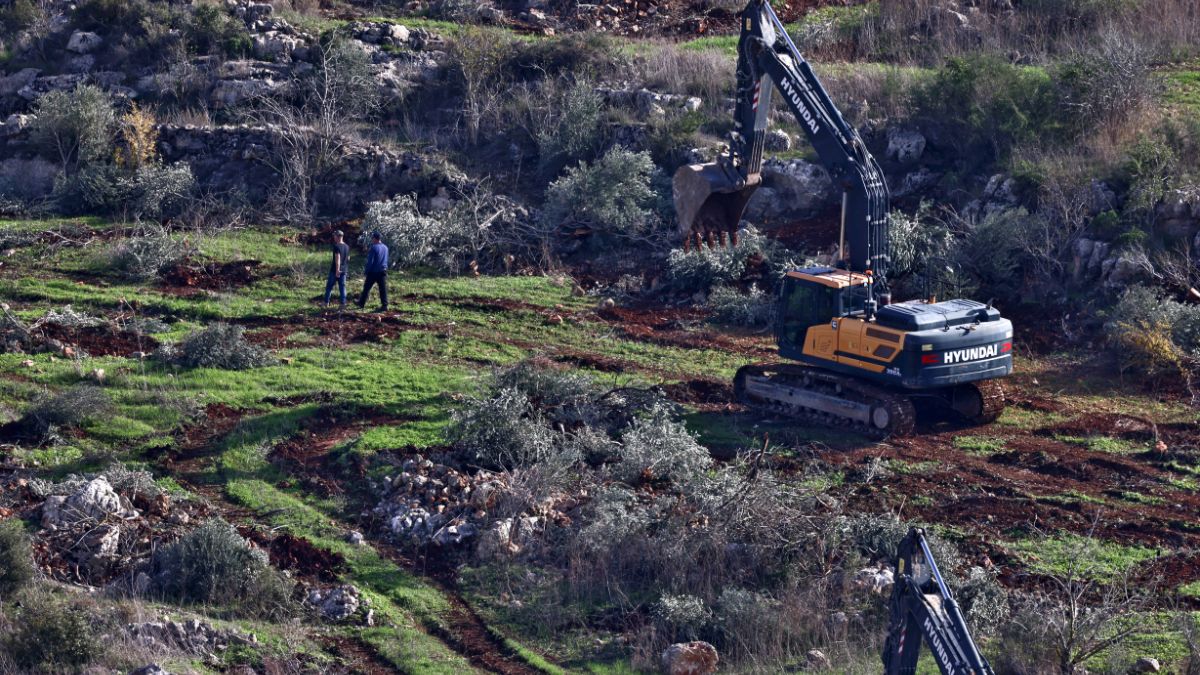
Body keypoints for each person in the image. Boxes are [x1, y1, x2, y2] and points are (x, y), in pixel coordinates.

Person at [357, 231, 389, 311]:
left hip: (373, 271)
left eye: (372, 238)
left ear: (375, 238)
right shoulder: (386, 247)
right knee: (383, 289)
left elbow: (370, 261)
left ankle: (361, 303)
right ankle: (384, 305)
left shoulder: (374, 247)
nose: (372, 240)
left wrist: (366, 271)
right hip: (383, 271)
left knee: (366, 288)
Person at [323, 229, 350, 309]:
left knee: (329, 287)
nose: (334, 237)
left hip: (335, 270)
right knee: (342, 288)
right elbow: (348, 258)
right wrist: (344, 267)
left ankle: (326, 303)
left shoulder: (336, 246)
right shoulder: (347, 246)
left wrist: (337, 270)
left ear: (338, 236)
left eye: (335, 236)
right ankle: (343, 304)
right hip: (344, 270)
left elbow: (337, 258)